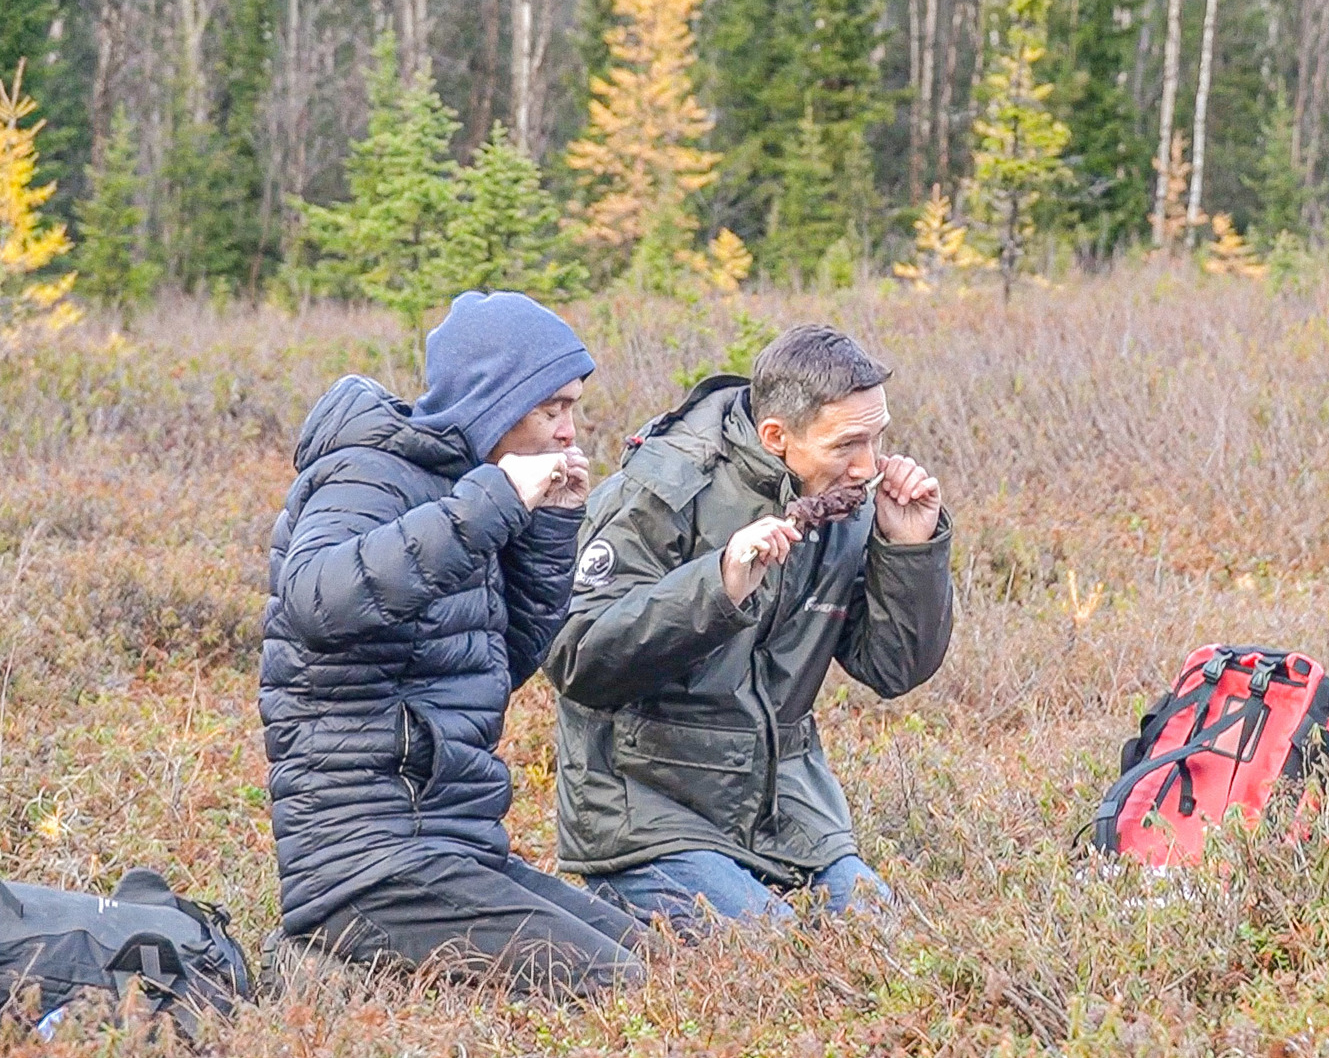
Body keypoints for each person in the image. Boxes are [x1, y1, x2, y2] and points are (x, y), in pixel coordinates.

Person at [260, 290, 642, 995]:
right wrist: (493, 500)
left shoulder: (465, 488)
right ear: (494, 400)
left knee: (663, 958)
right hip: (367, 861)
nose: (569, 430)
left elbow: (498, 664)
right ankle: (323, 964)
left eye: (574, 407)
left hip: (452, 843)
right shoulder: (368, 471)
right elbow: (316, 597)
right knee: (616, 985)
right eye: (551, 407)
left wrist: (551, 527)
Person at [545, 324, 954, 929]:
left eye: (878, 438)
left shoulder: (847, 500)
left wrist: (909, 551)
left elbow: (892, 669)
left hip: (790, 813)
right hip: (649, 809)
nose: (868, 467)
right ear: (775, 436)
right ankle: (619, 899)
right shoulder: (661, 490)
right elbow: (578, 659)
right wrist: (718, 586)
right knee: (771, 948)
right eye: (848, 444)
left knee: (887, 941)